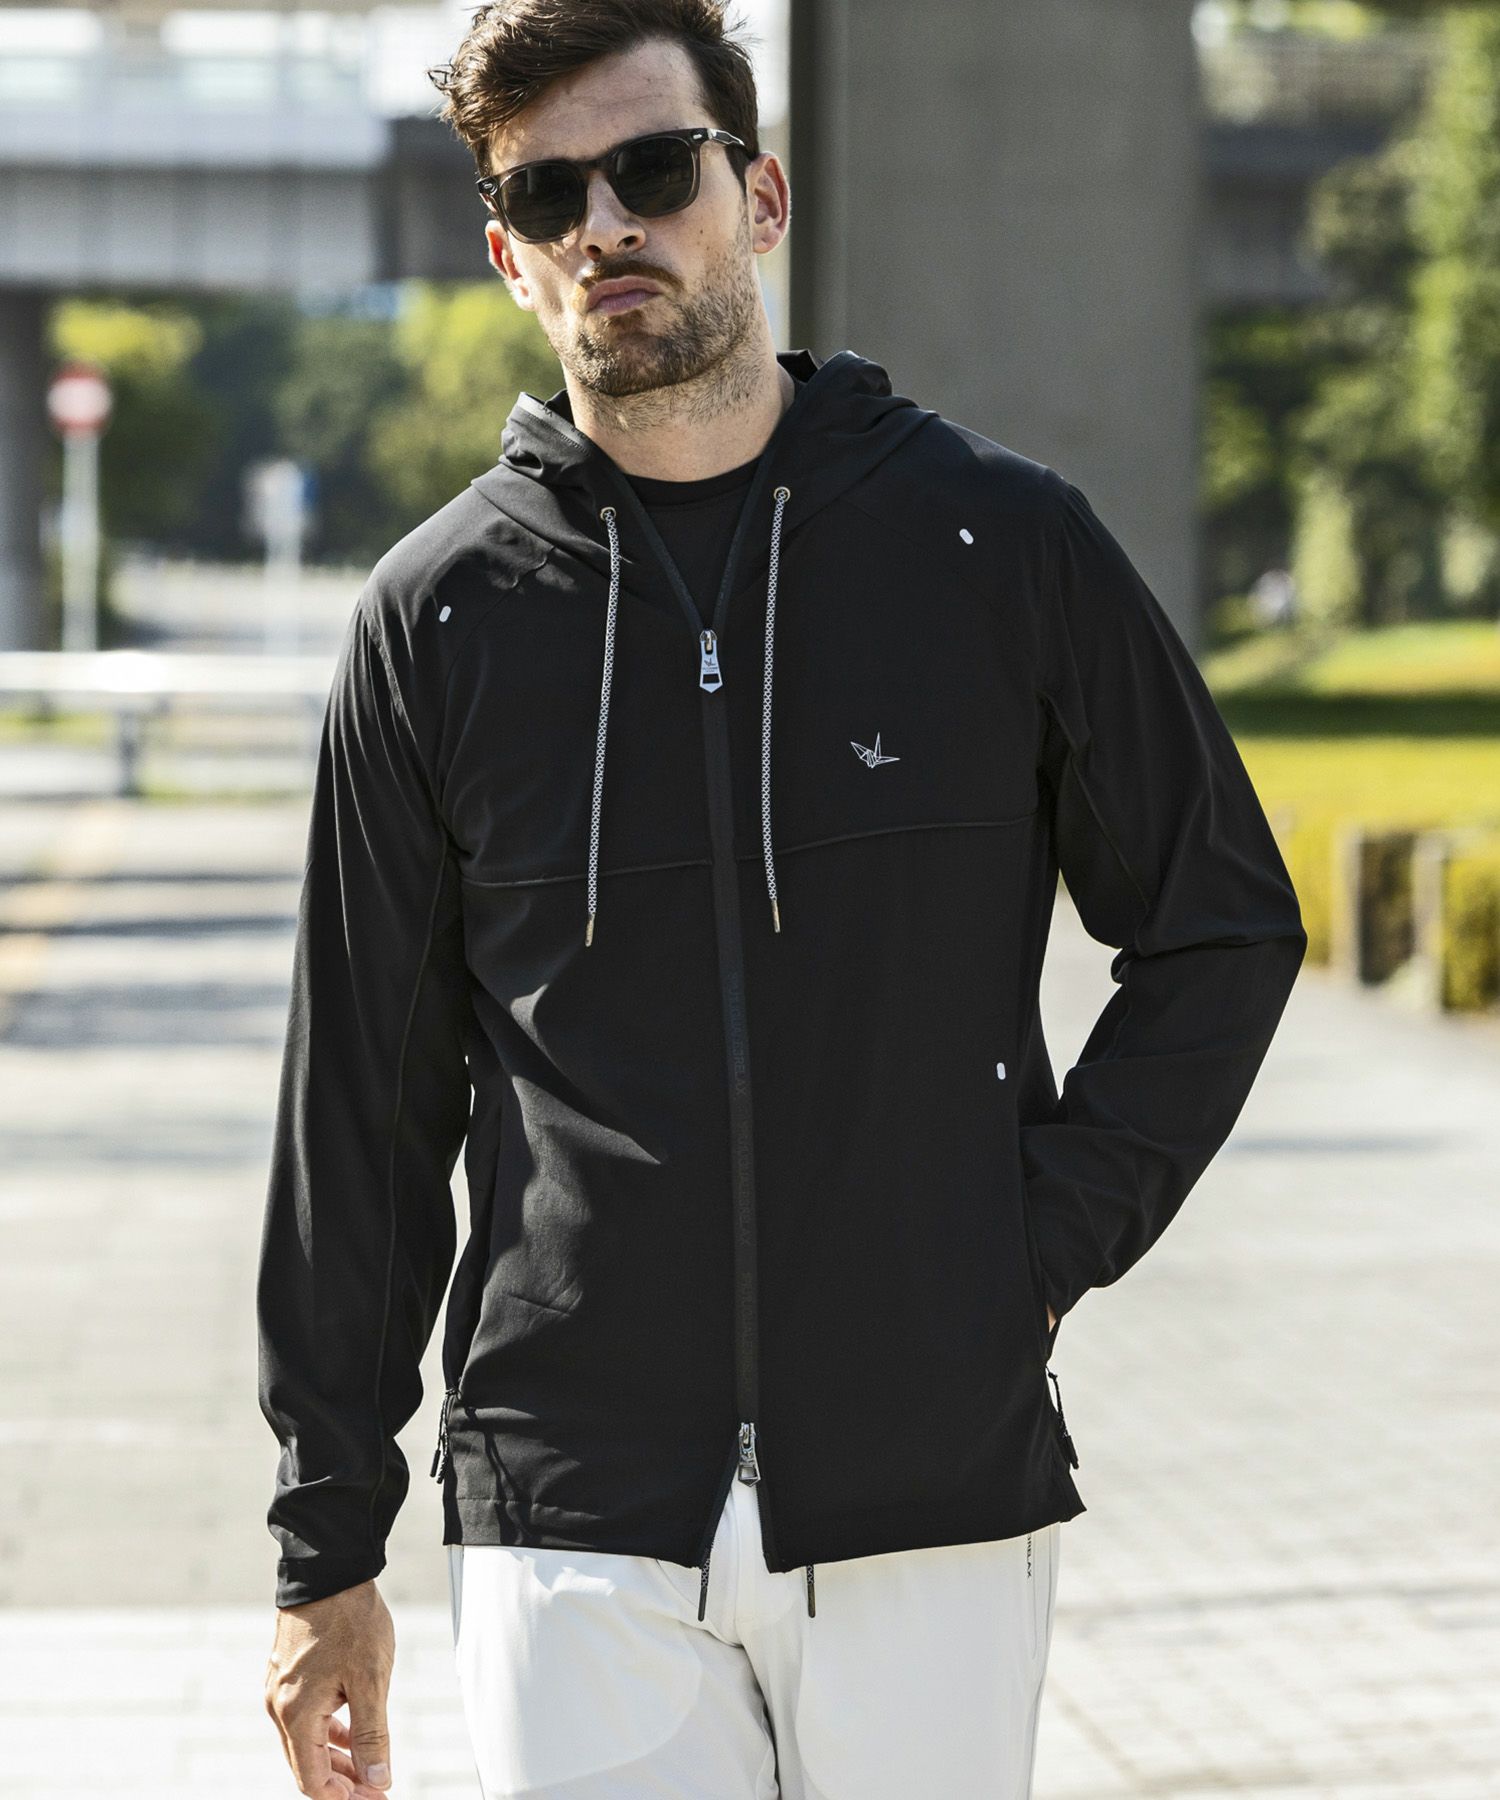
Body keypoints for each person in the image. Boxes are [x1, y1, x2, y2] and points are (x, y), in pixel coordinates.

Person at [257, 2, 1308, 1795]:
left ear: (760, 196)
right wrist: (322, 1543)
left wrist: (1027, 1248)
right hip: (572, 1510)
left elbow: (1222, 923)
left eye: (654, 169)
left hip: (930, 1490)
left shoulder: (996, 544)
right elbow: (361, 1105)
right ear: (510, 260)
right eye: (552, 195)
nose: (609, 225)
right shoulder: (437, 621)